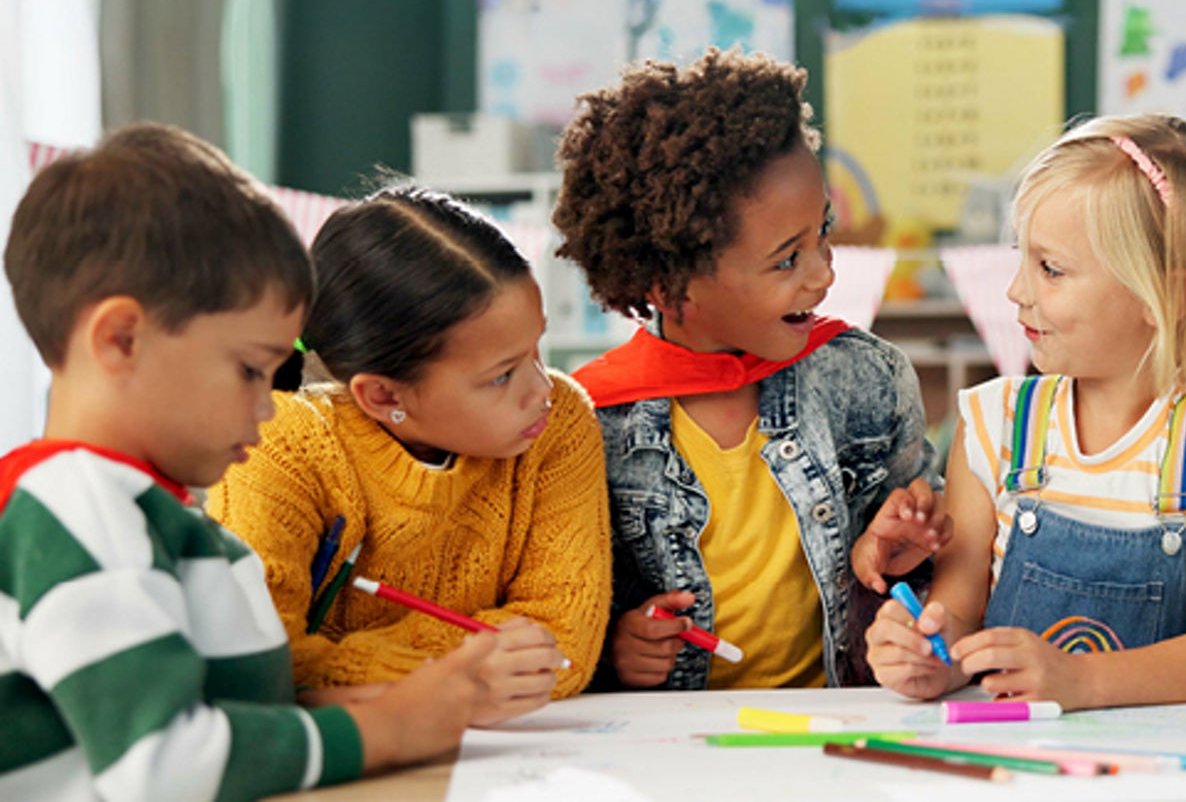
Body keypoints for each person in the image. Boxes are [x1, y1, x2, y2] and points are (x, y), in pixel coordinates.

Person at [0, 123, 499, 799]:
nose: (268, 408)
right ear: (121, 339)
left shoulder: (142, 508)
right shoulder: (80, 504)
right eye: (248, 370)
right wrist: (387, 731)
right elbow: (159, 763)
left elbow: (197, 710)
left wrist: (332, 711)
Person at [552, 47, 950, 691]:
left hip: (839, 723)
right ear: (669, 282)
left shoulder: (868, 380)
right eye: (786, 259)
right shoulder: (591, 422)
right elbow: (561, 613)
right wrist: (614, 653)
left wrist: (903, 546)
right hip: (673, 750)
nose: (824, 273)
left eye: (822, 233)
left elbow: (925, 569)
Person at [865, 114, 1186, 710]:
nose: (1016, 290)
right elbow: (961, 612)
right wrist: (928, 655)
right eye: (1021, 258)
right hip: (1015, 753)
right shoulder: (994, 422)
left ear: (1167, 295)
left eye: (1051, 269)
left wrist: (1082, 682)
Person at [208, 185, 611, 720]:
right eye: (501, 375)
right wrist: (466, 672)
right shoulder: (279, 448)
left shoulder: (557, 420)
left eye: (537, 346)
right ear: (384, 397)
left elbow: (563, 647)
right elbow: (262, 665)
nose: (540, 388)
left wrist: (352, 665)